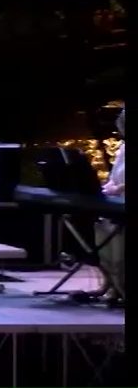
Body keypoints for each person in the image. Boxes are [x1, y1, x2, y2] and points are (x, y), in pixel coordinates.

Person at [93, 108, 125, 301]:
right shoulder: (123, 147)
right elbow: (116, 176)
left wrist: (120, 187)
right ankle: (111, 283)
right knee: (102, 226)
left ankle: (121, 285)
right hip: (116, 201)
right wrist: (109, 186)